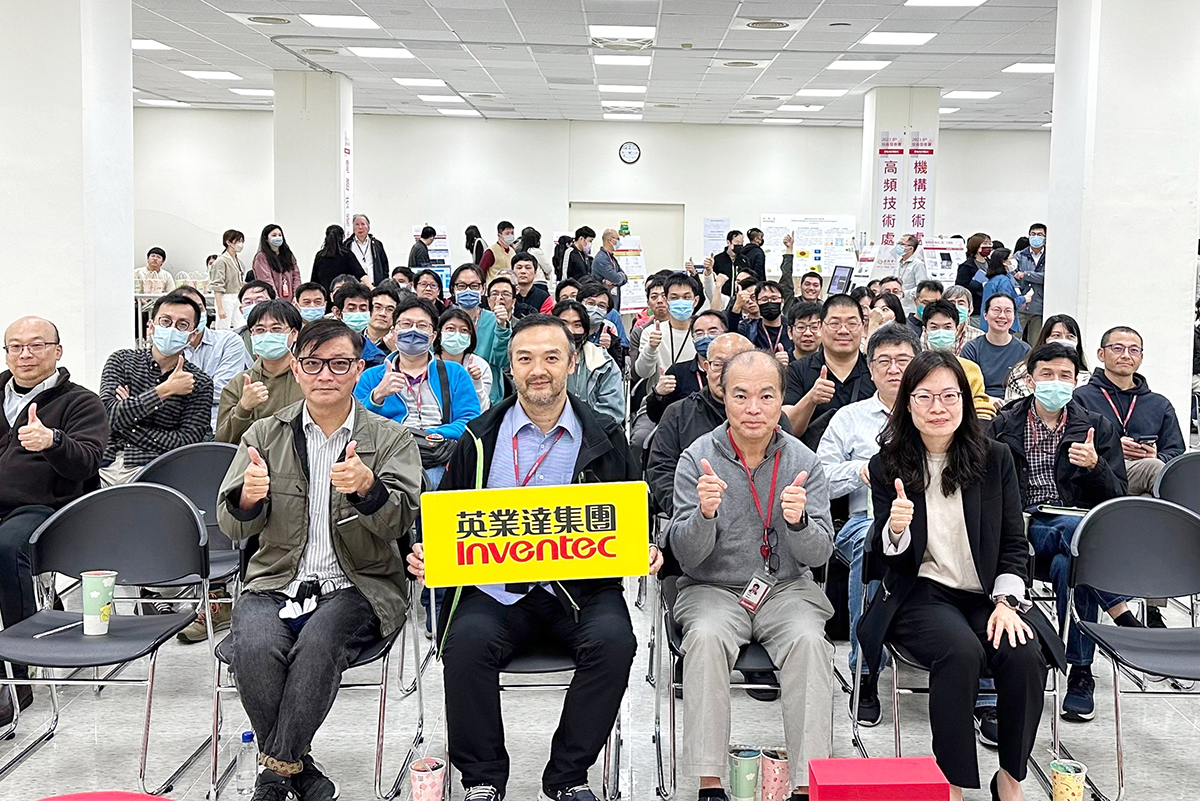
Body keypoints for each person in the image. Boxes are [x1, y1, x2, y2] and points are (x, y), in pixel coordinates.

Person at [406, 314, 660, 801]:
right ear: (511, 369)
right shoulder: (479, 437)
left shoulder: (605, 434)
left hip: (581, 589)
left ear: (571, 363)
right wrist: (428, 551)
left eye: (550, 357)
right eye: (525, 358)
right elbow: (446, 514)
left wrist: (644, 546)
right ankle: (482, 778)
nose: (538, 369)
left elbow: (635, 511)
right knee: (465, 645)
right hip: (496, 590)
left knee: (614, 643)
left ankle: (568, 775)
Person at [217, 318, 421, 801]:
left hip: (360, 584)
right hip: (275, 581)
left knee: (319, 643)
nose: (325, 374)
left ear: (359, 369)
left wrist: (369, 489)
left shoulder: (391, 438)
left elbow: (400, 523)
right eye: (312, 364)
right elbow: (232, 527)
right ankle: (295, 767)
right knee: (252, 646)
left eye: (339, 364)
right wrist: (247, 500)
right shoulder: (264, 434)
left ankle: (273, 777)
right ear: (296, 368)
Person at [860, 350, 1064, 801]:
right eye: (925, 396)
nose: (938, 407)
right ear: (907, 403)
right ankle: (953, 783)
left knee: (1023, 654)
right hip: (920, 594)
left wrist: (1007, 603)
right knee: (961, 652)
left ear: (965, 401)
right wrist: (895, 530)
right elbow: (890, 563)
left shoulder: (995, 458)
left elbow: (1014, 542)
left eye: (949, 396)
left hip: (986, 595)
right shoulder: (887, 465)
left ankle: (1009, 779)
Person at [668, 350, 834, 801]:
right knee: (704, 639)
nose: (753, 408)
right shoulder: (697, 459)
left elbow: (821, 554)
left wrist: (799, 523)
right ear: (723, 397)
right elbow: (685, 555)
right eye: (741, 396)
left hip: (786, 588)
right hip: (712, 587)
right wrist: (703, 515)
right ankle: (709, 782)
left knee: (810, 642)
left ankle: (806, 783)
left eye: (766, 395)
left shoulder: (804, 461)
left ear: (782, 399)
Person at [989, 342, 1136, 723]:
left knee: (1068, 564)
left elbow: (1118, 496)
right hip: (1021, 528)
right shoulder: (1004, 424)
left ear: (1076, 381)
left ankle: (1079, 672)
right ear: (1031, 379)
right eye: (1047, 374)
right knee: (1080, 539)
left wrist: (1096, 465)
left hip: (1070, 529)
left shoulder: (1095, 426)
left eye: (1065, 376)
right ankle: (1119, 609)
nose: (1056, 382)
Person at [0, 317, 107, 723]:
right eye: (15, 346)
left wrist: (53, 441)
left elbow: (89, 461)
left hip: (46, 508)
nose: (25, 354)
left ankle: (17, 676)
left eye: (36, 345)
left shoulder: (80, 402)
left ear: (57, 351)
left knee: (7, 547)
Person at [818, 325, 918, 725]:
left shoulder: (933, 412)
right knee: (872, 544)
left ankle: (983, 684)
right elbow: (820, 476)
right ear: (870, 369)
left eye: (903, 361)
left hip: (928, 520)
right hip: (862, 519)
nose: (894, 369)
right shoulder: (849, 418)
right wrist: (861, 471)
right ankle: (866, 668)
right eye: (884, 361)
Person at [355, 295, 481, 490]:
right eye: (406, 324)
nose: (413, 331)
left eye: (422, 326)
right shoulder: (372, 376)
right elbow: (357, 425)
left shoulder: (454, 373)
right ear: (394, 332)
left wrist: (431, 435)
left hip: (440, 456)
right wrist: (376, 396)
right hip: (391, 456)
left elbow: (470, 420)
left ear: (433, 336)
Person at [99, 291, 214, 486]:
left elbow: (186, 443)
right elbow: (107, 417)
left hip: (154, 470)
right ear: (151, 326)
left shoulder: (198, 382)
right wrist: (165, 390)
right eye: (166, 322)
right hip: (104, 465)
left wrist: (127, 419)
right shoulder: (122, 361)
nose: (172, 329)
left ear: (193, 335)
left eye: (182, 325)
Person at [1073, 326, 1186, 495]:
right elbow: (1070, 446)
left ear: (1141, 358)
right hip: (1099, 473)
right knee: (1154, 470)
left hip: (1144, 475)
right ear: (1101, 354)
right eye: (1117, 348)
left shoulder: (1159, 404)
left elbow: (1176, 452)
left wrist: (1155, 456)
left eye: (1134, 350)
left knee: (1158, 474)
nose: (1126, 355)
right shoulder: (1081, 397)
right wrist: (1114, 449)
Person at [782, 295, 875, 444]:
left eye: (852, 323)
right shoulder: (797, 370)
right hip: (812, 456)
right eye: (834, 323)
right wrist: (811, 399)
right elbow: (788, 428)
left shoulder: (875, 370)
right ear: (820, 327)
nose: (843, 330)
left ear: (863, 327)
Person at [217, 300, 306, 445]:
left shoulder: (309, 377)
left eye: (276, 329)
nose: (268, 335)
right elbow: (222, 440)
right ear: (252, 335)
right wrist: (243, 407)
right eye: (260, 330)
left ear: (294, 333)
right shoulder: (240, 383)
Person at [177, 285, 252, 430]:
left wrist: (174, 391)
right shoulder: (170, 346)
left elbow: (225, 391)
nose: (196, 313)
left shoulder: (228, 341)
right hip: (175, 426)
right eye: (188, 309)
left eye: (200, 308)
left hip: (218, 424)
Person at [645, 310, 726, 425]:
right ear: (692, 339)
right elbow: (656, 416)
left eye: (713, 332)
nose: (705, 337)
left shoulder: (737, 370)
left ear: (726, 335)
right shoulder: (677, 373)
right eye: (699, 333)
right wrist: (658, 394)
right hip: (689, 431)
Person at [449, 264, 511, 406]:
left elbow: (503, 361)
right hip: (452, 397)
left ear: (483, 289)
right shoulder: (445, 322)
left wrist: (502, 327)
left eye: (474, 286)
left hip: (490, 398)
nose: (468, 290)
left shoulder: (494, 320)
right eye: (462, 286)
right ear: (453, 289)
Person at [922, 300, 995, 421]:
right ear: (925, 330)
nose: (941, 332)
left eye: (947, 327)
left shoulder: (970, 369)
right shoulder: (915, 368)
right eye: (934, 327)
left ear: (956, 330)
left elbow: (981, 407)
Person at [555, 300, 625, 424]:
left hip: (593, 431)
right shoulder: (539, 361)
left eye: (577, 325)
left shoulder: (603, 363)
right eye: (563, 324)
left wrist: (580, 426)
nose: (570, 331)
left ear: (585, 329)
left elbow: (612, 411)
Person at [1003, 315, 1090, 404]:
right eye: (1057, 335)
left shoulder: (1086, 379)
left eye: (1070, 336)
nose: (1063, 340)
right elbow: (1012, 407)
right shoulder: (1020, 372)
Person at [960, 294, 1030, 401]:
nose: (1002, 316)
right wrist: (989, 400)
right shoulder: (972, 349)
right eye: (996, 310)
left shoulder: (1025, 351)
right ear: (985, 315)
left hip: (1015, 403)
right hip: (980, 403)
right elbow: (966, 386)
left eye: (1008, 311)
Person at [634, 273, 701, 380]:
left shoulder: (702, 332)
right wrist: (651, 348)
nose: (681, 302)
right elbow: (642, 373)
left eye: (686, 297)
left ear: (695, 301)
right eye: (674, 298)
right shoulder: (651, 332)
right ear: (666, 300)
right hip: (660, 389)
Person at [434, 307, 492, 412]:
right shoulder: (427, 363)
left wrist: (476, 382)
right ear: (439, 333)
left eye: (464, 330)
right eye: (450, 329)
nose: (457, 334)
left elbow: (482, 409)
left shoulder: (480, 365)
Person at [731, 280, 793, 364]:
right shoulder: (748, 329)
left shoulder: (792, 329)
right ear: (757, 302)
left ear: (782, 301)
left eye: (774, 298)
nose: (769, 302)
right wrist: (736, 307)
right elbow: (731, 334)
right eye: (764, 299)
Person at [331, 282, 387, 368]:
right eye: (351, 309)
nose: (357, 313)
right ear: (337, 312)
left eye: (363, 309)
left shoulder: (377, 357)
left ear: (370, 313)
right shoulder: (323, 348)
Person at [576, 282, 627, 368]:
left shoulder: (612, 339)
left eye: (601, 306)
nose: (595, 309)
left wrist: (609, 350)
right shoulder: (567, 332)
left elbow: (618, 370)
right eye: (590, 303)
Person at [981, 249, 1028, 335]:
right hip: (1002, 324)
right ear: (1004, 262)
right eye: (1011, 258)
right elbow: (1006, 303)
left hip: (990, 322)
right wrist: (1024, 299)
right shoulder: (1004, 281)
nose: (1013, 261)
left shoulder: (993, 280)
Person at [252, 224, 302, 301]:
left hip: (291, 300)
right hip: (273, 300)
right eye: (274, 235)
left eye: (280, 235)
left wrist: (296, 295)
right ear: (266, 238)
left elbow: (296, 276)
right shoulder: (261, 257)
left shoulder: (288, 255)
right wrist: (275, 299)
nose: (278, 238)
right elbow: (266, 280)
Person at [1014, 224, 1046, 341]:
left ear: (1045, 238)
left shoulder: (1049, 256)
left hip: (1039, 306)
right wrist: (1019, 296)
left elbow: (1046, 277)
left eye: (1040, 234)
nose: (1036, 237)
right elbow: (1013, 276)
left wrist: (1026, 275)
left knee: (1035, 341)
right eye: (1033, 234)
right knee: (1014, 339)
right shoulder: (1020, 255)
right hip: (1022, 305)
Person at [629, 275, 670, 366]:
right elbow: (635, 369)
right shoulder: (639, 332)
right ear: (648, 303)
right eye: (654, 297)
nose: (660, 301)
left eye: (664, 296)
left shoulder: (684, 327)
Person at [210, 230, 247, 330]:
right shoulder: (221, 261)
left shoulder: (237, 261)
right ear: (228, 242)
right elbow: (217, 286)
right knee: (223, 327)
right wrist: (220, 308)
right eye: (238, 241)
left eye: (242, 241)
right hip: (225, 298)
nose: (241, 244)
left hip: (237, 297)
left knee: (241, 325)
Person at [312, 224, 363, 290]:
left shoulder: (320, 255)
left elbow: (314, 280)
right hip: (343, 292)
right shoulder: (347, 254)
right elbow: (360, 274)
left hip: (324, 293)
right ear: (342, 237)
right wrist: (371, 287)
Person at [954, 233, 991, 323]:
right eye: (985, 243)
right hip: (976, 308)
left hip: (990, 306)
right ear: (976, 246)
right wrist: (975, 283)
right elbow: (961, 289)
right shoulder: (966, 266)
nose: (989, 246)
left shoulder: (991, 264)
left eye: (990, 243)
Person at [346, 213, 389, 286]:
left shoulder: (377, 244)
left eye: (363, 224)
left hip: (375, 285)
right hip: (355, 286)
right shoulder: (347, 245)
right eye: (357, 224)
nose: (360, 227)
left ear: (368, 227)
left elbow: (384, 265)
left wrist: (382, 282)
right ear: (353, 228)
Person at [942, 285, 985, 354]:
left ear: (970, 310)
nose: (956, 307)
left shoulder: (979, 337)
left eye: (961, 303)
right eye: (951, 303)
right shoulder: (932, 334)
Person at [237, 281, 278, 352]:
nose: (254, 306)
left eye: (259, 301)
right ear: (241, 310)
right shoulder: (236, 337)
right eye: (248, 302)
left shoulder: (285, 333)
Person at [893, 233, 927, 315]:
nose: (898, 246)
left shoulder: (918, 264)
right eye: (898, 243)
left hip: (910, 307)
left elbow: (921, 287)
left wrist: (905, 293)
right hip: (897, 304)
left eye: (901, 244)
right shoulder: (898, 262)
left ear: (910, 249)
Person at [365, 286, 401, 355]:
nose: (383, 314)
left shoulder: (399, 343)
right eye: (377, 307)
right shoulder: (355, 337)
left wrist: (395, 351)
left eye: (390, 309)